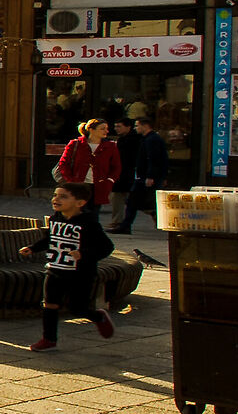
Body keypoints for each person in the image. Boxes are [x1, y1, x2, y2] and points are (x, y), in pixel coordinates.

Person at [31, 181, 116, 351]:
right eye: (55, 195)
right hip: (55, 269)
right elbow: (50, 239)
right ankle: (49, 339)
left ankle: (98, 316)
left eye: (63, 197)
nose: (56, 199)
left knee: (77, 309)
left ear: (80, 203)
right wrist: (33, 248)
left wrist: (84, 254)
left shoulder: (89, 223)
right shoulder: (55, 219)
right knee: (49, 304)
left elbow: (107, 247)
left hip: (80, 273)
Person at [112, 116, 168, 233]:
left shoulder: (152, 140)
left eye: (137, 126)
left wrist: (150, 176)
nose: (135, 128)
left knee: (135, 201)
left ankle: (126, 226)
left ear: (145, 126)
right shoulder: (147, 139)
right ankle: (126, 225)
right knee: (134, 202)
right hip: (143, 176)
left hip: (146, 177)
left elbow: (154, 159)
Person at [57, 117, 120, 212]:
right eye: (102, 128)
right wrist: (70, 180)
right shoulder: (76, 144)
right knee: (76, 212)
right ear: (91, 130)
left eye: (107, 128)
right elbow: (64, 163)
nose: (106, 131)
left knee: (93, 213)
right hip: (78, 185)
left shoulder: (110, 146)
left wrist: (110, 180)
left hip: (99, 186)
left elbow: (116, 166)